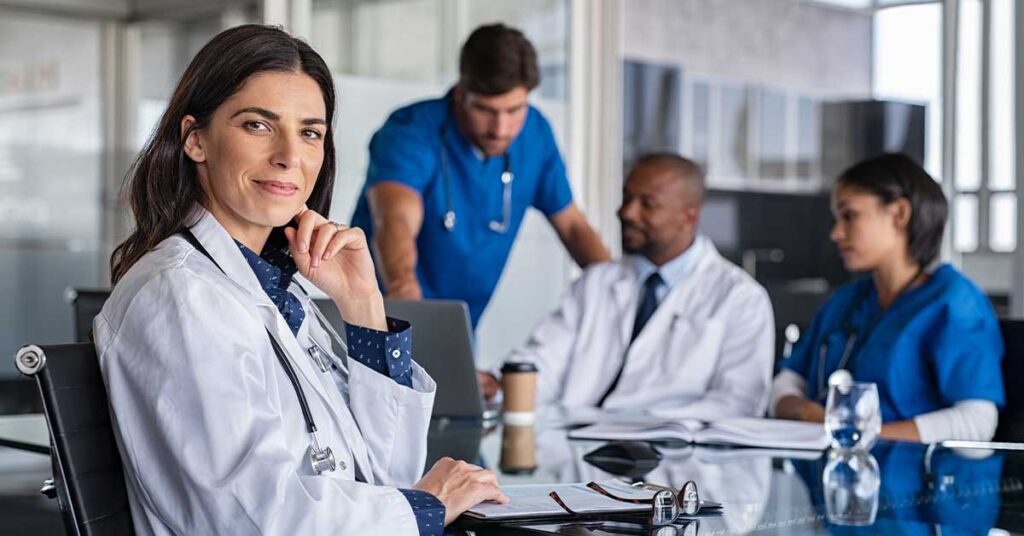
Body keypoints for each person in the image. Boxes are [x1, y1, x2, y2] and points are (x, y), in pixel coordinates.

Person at [94, 25, 506, 535]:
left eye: (310, 132)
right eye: (258, 125)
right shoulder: (181, 294)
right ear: (195, 139)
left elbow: (385, 474)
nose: (291, 155)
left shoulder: (276, 289)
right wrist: (426, 507)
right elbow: (251, 517)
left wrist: (362, 305)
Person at [349, 23, 609, 328]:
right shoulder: (411, 130)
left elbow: (574, 227)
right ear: (461, 94)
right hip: (385, 315)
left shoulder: (536, 134)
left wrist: (623, 295)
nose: (501, 129)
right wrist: (406, 296)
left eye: (514, 110)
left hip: (459, 325)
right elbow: (395, 219)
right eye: (486, 110)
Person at [480, 153, 775, 417]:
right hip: (579, 457)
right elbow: (544, 362)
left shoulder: (740, 298)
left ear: (689, 216)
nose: (627, 213)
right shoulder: (597, 282)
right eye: (626, 197)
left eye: (648, 204)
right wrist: (497, 386)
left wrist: (642, 423)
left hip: (678, 464)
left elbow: (738, 403)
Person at [771, 153, 1005, 442]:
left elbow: (976, 424)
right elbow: (786, 382)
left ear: (899, 215)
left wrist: (857, 437)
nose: (836, 233)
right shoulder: (847, 300)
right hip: (831, 476)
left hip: (912, 481)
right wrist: (804, 412)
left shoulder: (954, 303)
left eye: (849, 216)